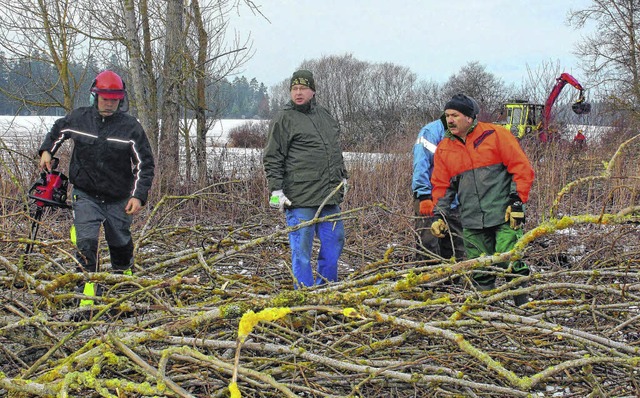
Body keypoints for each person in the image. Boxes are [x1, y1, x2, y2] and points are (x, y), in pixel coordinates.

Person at [38, 70, 155, 306]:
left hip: (118, 197)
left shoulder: (131, 127)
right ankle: (86, 293)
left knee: (120, 242)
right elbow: (57, 131)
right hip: (86, 194)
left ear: (121, 99)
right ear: (95, 96)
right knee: (86, 242)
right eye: (105, 99)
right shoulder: (79, 118)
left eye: (114, 100)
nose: (109, 104)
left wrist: (138, 196)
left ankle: (123, 283)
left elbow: (145, 163)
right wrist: (46, 150)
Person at [431, 94, 535, 306]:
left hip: (504, 215)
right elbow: (442, 187)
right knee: (480, 269)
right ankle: (485, 316)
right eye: (447, 115)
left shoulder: (496, 135)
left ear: (469, 117)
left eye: (455, 115)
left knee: (512, 263)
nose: (450, 120)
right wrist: (439, 216)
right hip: (471, 221)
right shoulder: (444, 149)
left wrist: (517, 202)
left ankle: (524, 309)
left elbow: (521, 169)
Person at [263, 69, 348, 289]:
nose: (298, 93)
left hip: (328, 198)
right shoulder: (284, 118)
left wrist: (342, 178)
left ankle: (326, 287)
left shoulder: (325, 115)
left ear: (313, 91)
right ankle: (304, 294)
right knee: (301, 251)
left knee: (334, 243)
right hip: (299, 198)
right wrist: (276, 190)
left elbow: (335, 151)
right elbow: (272, 156)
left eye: (303, 88)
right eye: (294, 89)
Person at [412, 114, 465, 264]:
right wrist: (423, 196)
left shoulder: (466, 134)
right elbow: (420, 165)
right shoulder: (431, 132)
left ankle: (451, 285)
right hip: (430, 199)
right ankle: (426, 284)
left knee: (456, 248)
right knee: (428, 248)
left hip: (455, 202)